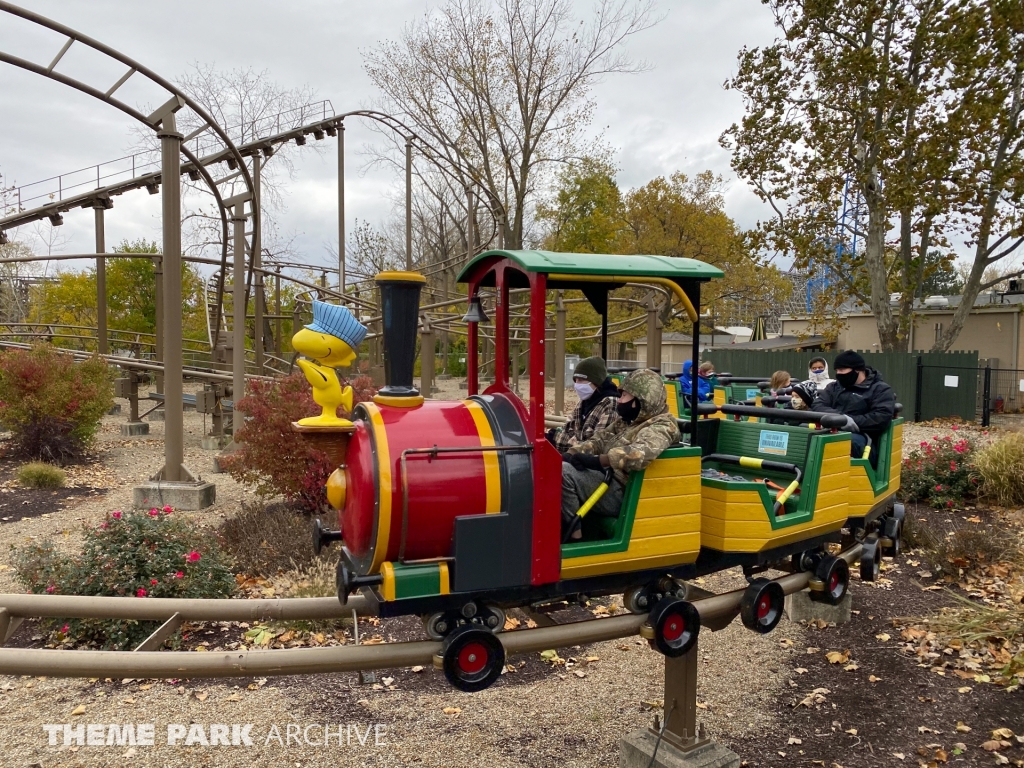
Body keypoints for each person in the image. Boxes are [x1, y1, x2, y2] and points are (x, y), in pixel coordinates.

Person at [561, 369, 680, 541]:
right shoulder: (628, 421)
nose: (619, 401)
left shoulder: (662, 426)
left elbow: (639, 454)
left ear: (641, 400)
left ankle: (574, 537)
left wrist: (599, 461)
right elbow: (599, 440)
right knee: (561, 466)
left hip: (627, 491)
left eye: (624, 396)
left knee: (564, 474)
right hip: (609, 480)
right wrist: (572, 453)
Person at [812, 350, 896, 466]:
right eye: (836, 371)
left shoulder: (880, 389)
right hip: (832, 430)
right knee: (807, 435)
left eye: (842, 370)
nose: (839, 374)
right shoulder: (834, 387)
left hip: (865, 440)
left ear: (857, 370)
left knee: (842, 442)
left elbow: (880, 418)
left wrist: (851, 421)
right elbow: (818, 405)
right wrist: (841, 419)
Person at [546, 356, 619, 452]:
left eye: (581, 380)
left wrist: (558, 438)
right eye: (575, 380)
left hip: (590, 465)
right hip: (573, 459)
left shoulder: (610, 404)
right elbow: (566, 429)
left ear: (595, 381)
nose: (577, 385)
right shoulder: (584, 402)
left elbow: (596, 446)